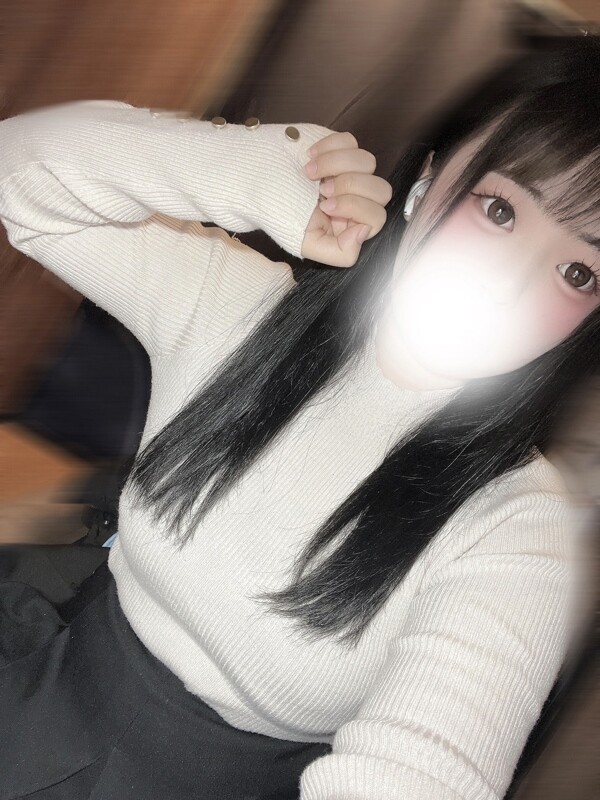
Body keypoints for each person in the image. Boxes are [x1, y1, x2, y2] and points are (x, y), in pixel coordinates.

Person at [0, 32, 598, 800]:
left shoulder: (519, 529)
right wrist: (234, 170)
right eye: (500, 209)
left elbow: (421, 772)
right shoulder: (241, 309)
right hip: (41, 660)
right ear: (427, 179)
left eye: (579, 271)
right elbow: (20, 172)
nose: (509, 285)